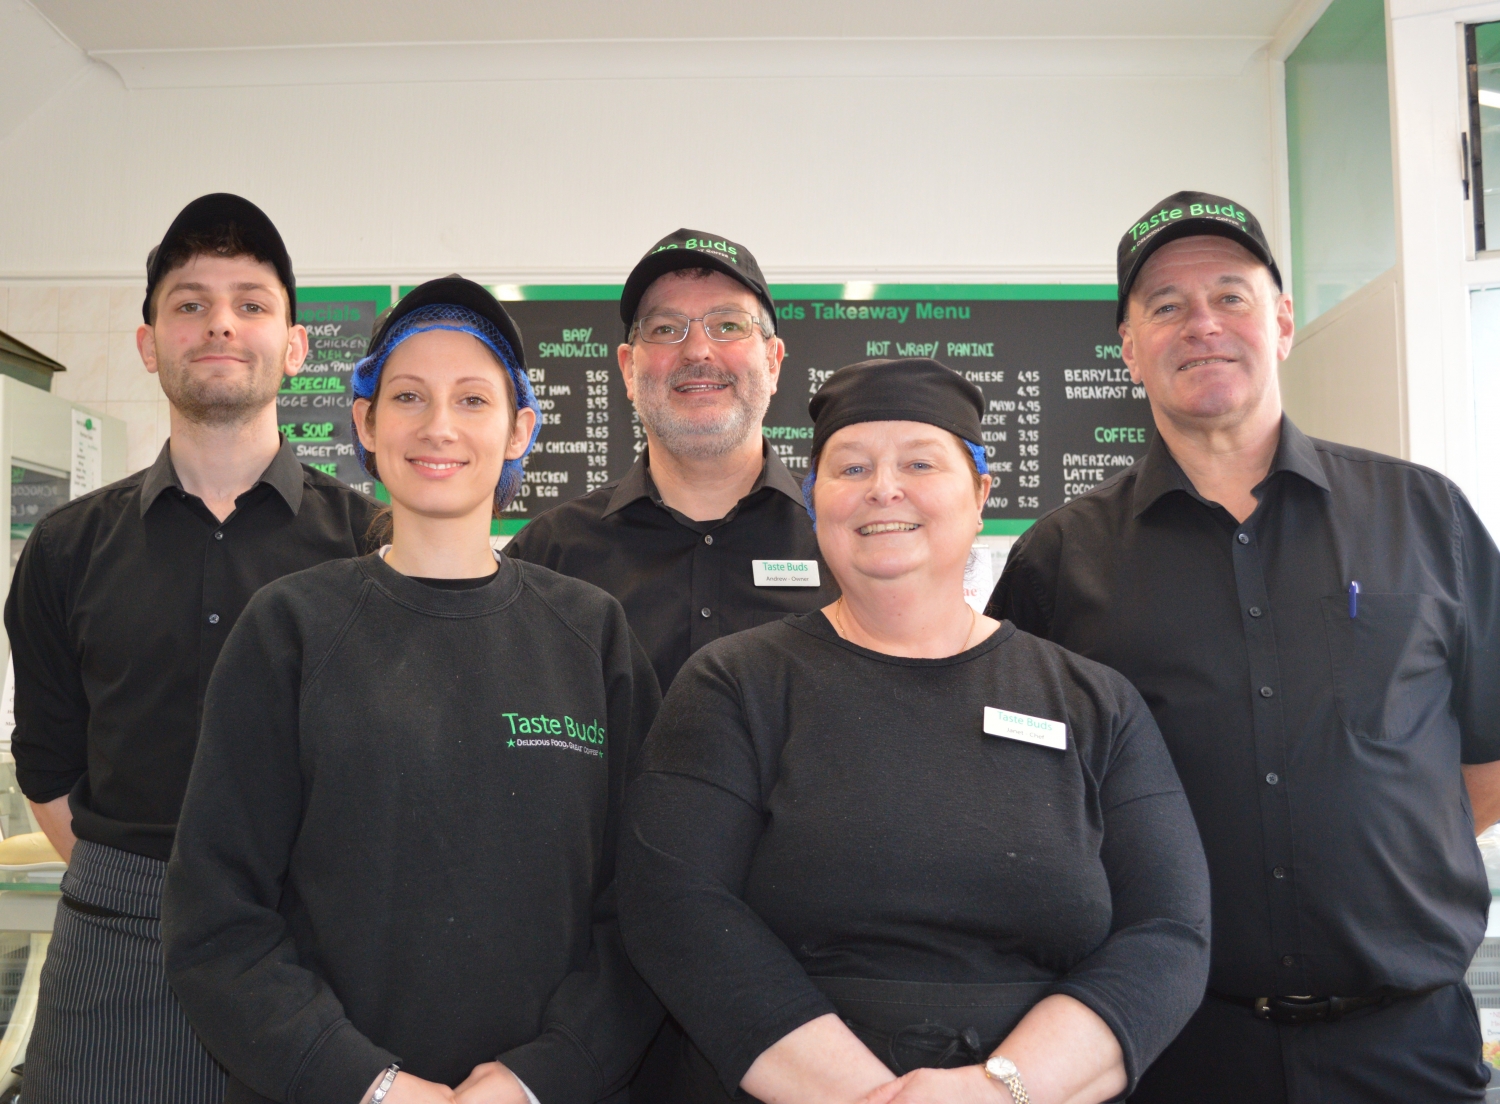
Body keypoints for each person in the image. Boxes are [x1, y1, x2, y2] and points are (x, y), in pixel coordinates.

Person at [986, 191, 1500, 1102]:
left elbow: (1490, 758)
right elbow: (1020, 798)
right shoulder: (1058, 560)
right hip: (1169, 1048)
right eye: (1167, 306)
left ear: (1283, 321)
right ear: (1128, 348)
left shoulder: (1427, 517)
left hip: (1409, 1047)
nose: (1203, 325)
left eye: (1231, 295)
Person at [618, 358, 1211, 1104]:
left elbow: (1168, 933)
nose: (883, 488)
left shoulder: (1094, 703)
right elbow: (676, 908)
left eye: (920, 463)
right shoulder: (733, 684)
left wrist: (1000, 1090)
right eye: (851, 467)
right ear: (815, 502)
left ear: (981, 494)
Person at [161, 277, 662, 1104]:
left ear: (519, 429)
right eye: (408, 397)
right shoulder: (289, 628)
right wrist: (371, 1085)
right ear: (366, 422)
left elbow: (643, 906)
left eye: (473, 399)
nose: (439, 427)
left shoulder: (591, 634)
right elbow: (218, 919)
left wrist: (542, 1075)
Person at [3, 193, 381, 1103]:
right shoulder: (65, 547)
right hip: (119, 945)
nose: (220, 323)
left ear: (296, 346)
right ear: (149, 344)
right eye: (190, 303)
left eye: (251, 303)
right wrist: (149, 889)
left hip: (315, 940)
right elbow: (47, 765)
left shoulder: (371, 546)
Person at [505, 229, 835, 694]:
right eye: (665, 329)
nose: (697, 350)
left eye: (728, 325)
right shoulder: (547, 555)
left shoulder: (842, 537)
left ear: (773, 362)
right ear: (628, 369)